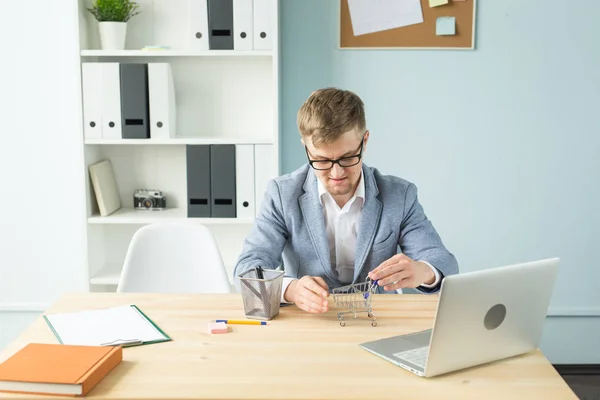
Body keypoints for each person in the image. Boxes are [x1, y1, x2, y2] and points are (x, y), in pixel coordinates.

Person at [233, 87, 458, 314]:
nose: (337, 173)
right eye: (321, 160)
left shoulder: (399, 194)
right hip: (309, 320)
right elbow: (248, 269)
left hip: (378, 318)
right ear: (306, 148)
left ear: (365, 141)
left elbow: (444, 262)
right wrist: (291, 289)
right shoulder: (281, 194)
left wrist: (422, 271)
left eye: (348, 157)